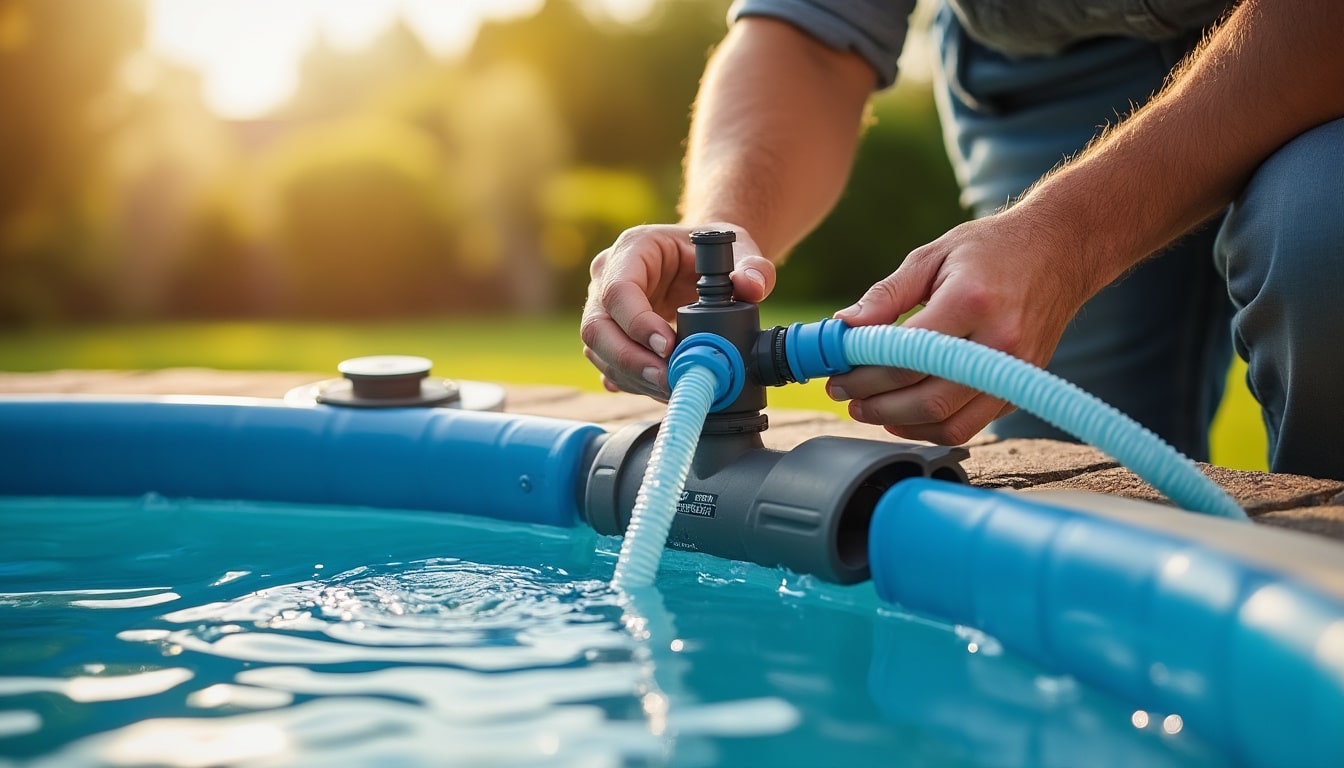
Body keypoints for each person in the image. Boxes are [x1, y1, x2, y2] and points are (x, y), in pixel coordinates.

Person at [580, 0, 1344, 480]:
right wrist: (715, 225)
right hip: (1046, 61)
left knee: (1322, 231)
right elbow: (809, 33)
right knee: (1073, 491)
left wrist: (1068, 236)